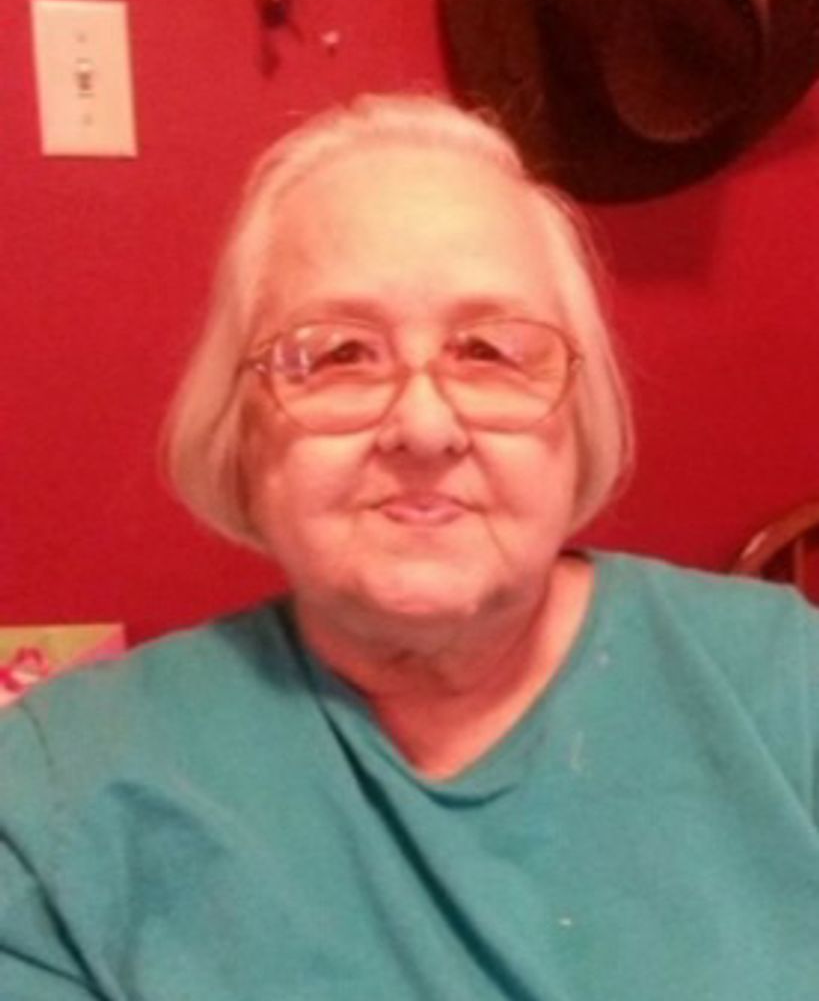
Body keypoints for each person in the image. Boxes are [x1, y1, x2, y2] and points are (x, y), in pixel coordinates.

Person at [1, 93, 818, 1001]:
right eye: (339, 355)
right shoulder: (56, 797)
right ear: (239, 429)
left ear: (579, 415)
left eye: (490, 351)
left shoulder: (785, 683)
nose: (425, 428)